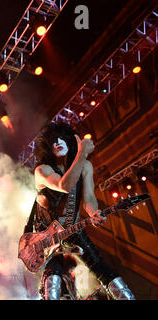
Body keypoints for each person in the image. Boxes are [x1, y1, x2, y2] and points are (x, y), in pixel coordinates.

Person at [25, 122, 135, 300]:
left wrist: (93, 213)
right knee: (54, 270)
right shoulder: (42, 170)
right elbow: (65, 186)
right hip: (46, 232)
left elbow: (89, 198)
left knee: (98, 264)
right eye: (52, 141)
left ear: (69, 140)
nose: (57, 142)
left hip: (72, 227)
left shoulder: (85, 166)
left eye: (61, 138)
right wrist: (82, 153)